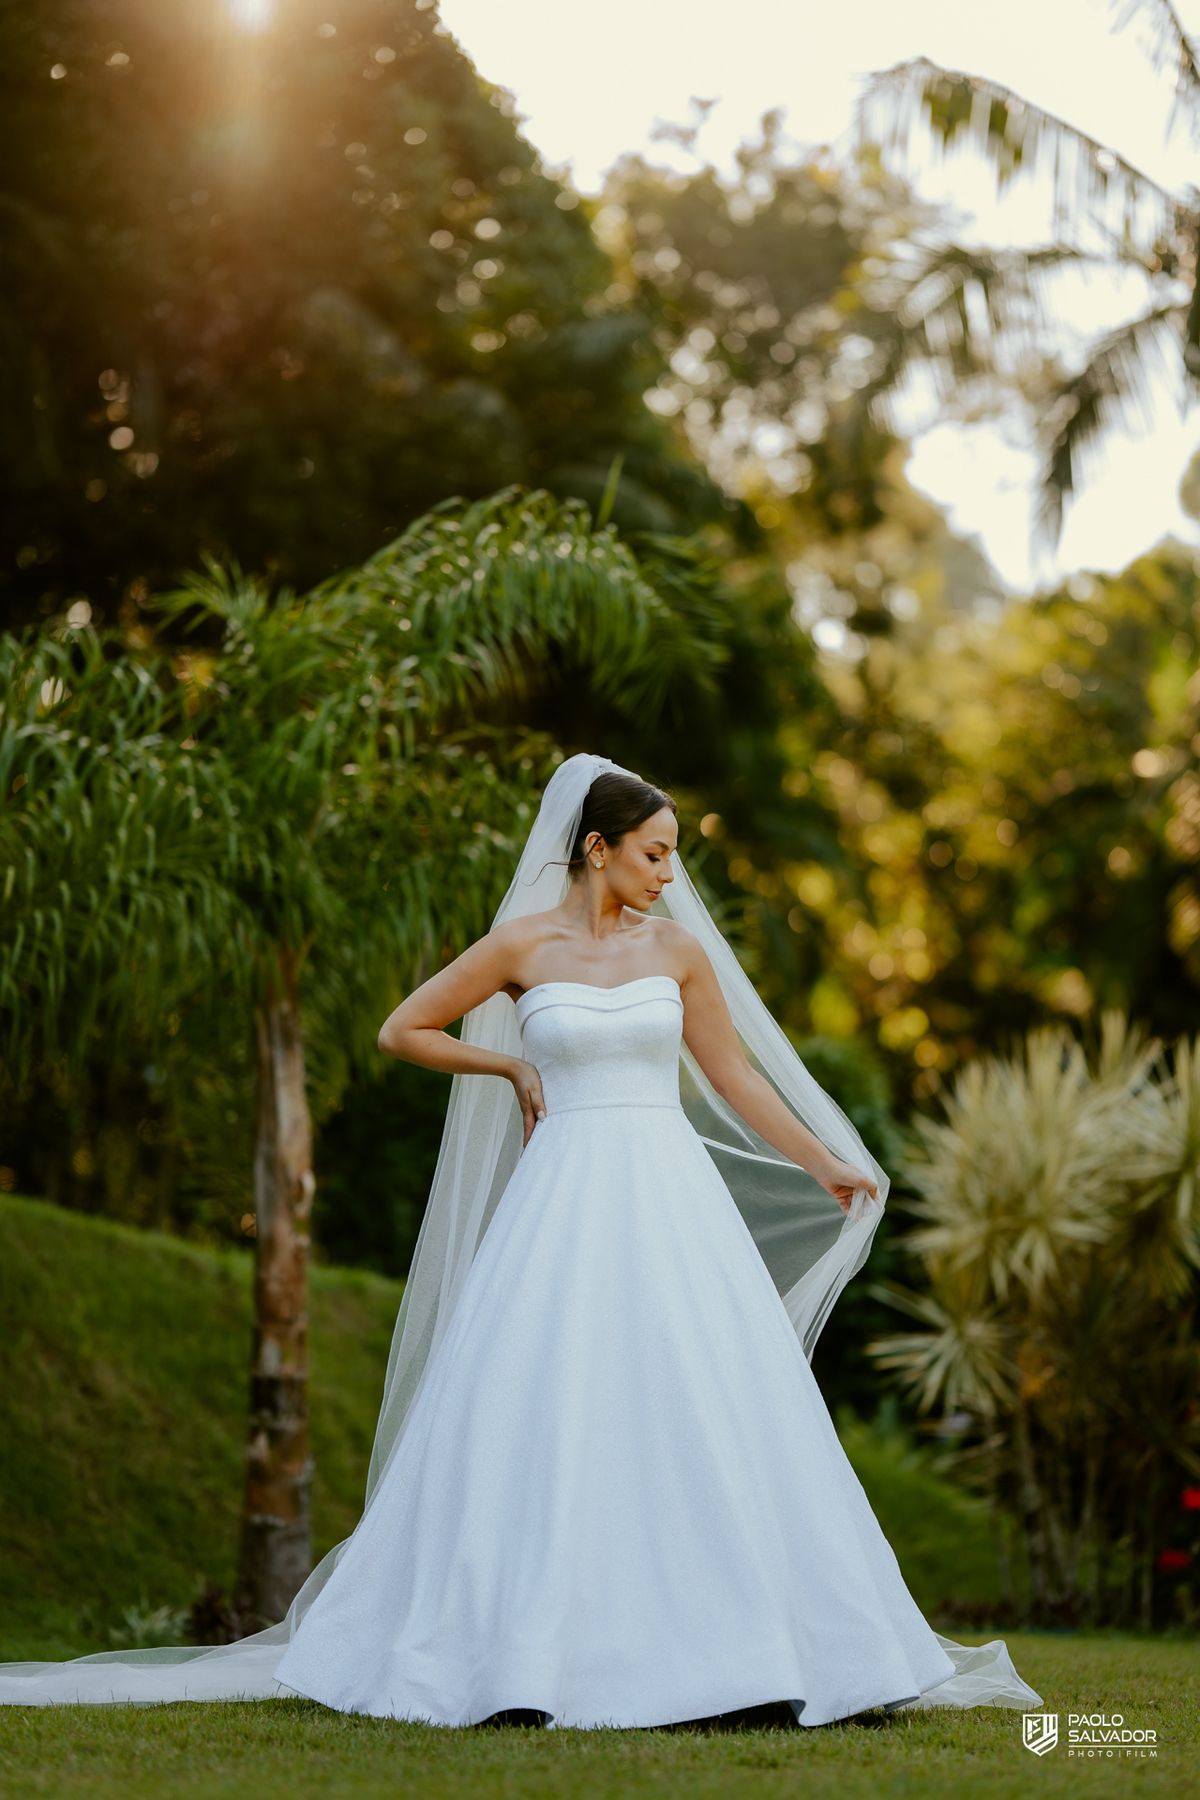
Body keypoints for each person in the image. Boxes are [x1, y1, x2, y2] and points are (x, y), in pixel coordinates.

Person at [0, 755, 1040, 1722]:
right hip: (561, 1198)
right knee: (542, 1404)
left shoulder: (676, 951)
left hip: (668, 1198)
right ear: (598, 846)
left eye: (675, 855)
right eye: (654, 852)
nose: (670, 874)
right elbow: (404, 1028)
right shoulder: (521, 947)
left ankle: (752, 1652)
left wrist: (826, 1161)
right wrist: (510, 1069)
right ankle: (516, 1657)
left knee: (697, 1398)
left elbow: (734, 1079)